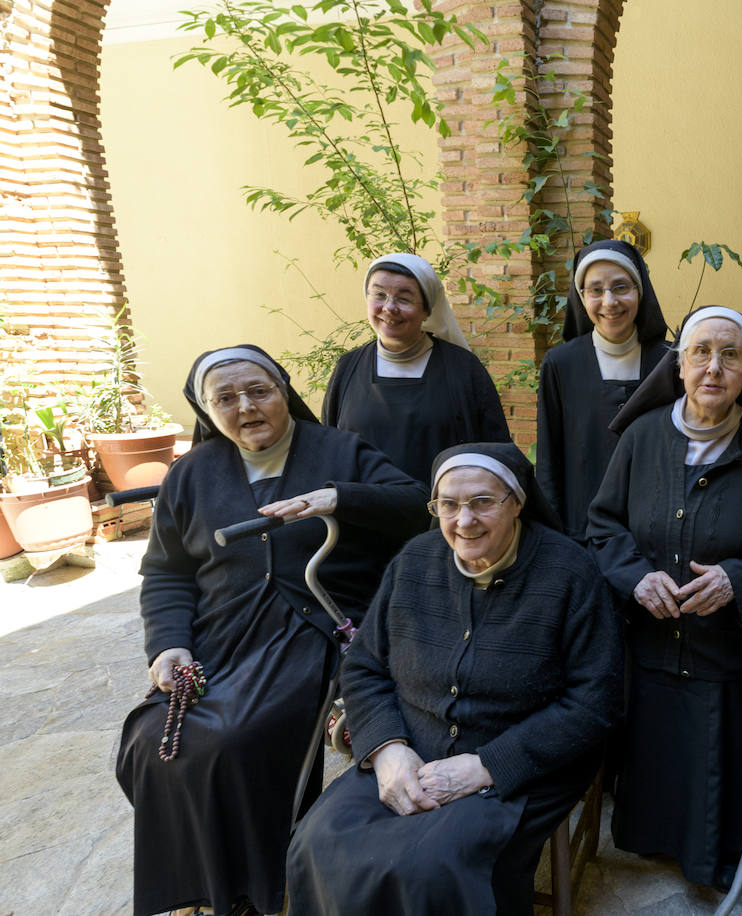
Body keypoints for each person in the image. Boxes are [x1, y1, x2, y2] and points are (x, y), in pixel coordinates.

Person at [116, 345, 428, 916]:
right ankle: (206, 885)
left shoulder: (339, 450)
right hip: (220, 637)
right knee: (153, 740)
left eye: (259, 391)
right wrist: (169, 644)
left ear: (284, 391)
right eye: (226, 398)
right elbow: (165, 574)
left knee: (235, 739)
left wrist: (340, 497)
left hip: (311, 628)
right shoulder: (190, 475)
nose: (247, 407)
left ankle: (258, 888)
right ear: (207, 412)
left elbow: (417, 504)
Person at [286, 442, 624, 915]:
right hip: (408, 748)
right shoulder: (414, 561)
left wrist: (488, 764)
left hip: (523, 762)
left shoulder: (570, 572)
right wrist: (387, 749)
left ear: (518, 502)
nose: (464, 521)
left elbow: (595, 701)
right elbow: (363, 666)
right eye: (448, 504)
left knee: (431, 867)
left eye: (483, 502)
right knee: (317, 842)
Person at [586, 306, 742, 889]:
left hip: (728, 653)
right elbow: (603, 526)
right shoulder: (640, 438)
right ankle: (653, 842)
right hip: (652, 647)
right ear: (680, 366)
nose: (713, 368)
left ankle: (716, 860)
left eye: (730, 355)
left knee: (721, 771)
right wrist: (635, 576)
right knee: (658, 759)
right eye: (700, 353)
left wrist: (736, 581)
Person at [323, 252, 511, 483]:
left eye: (404, 298)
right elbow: (329, 451)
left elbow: (496, 454)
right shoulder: (347, 368)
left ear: (426, 310)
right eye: (379, 294)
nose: (389, 307)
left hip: (442, 515)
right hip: (366, 513)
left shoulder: (463, 369)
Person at [537, 239, 671, 540]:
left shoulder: (669, 361)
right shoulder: (561, 364)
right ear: (581, 297)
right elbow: (549, 458)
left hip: (655, 530)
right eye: (595, 290)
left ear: (640, 291)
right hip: (581, 530)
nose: (609, 302)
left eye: (621, 287)